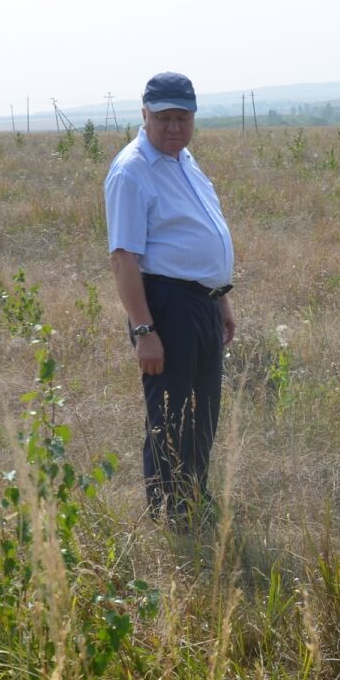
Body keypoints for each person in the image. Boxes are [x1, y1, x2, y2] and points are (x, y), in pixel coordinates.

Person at [103, 72, 236, 526]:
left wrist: (221, 299)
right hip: (165, 306)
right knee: (170, 416)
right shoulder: (132, 170)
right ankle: (168, 515)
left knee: (203, 413)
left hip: (200, 305)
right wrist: (145, 330)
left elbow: (198, 237)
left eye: (183, 117)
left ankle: (194, 500)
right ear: (144, 115)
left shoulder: (183, 160)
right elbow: (123, 258)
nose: (174, 127)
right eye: (164, 118)